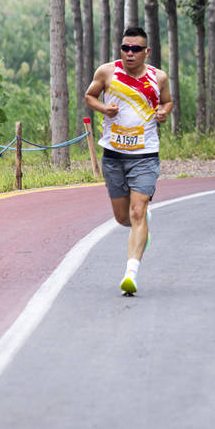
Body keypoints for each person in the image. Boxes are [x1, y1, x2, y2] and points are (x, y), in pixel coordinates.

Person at [85, 27, 173, 295]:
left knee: (137, 211)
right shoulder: (107, 72)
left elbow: (168, 102)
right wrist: (104, 108)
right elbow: (89, 96)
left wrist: (163, 112)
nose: (130, 53)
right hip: (113, 155)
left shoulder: (158, 77)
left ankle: (130, 274)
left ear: (147, 52)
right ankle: (142, 226)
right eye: (126, 48)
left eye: (136, 49)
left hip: (145, 155)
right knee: (123, 217)